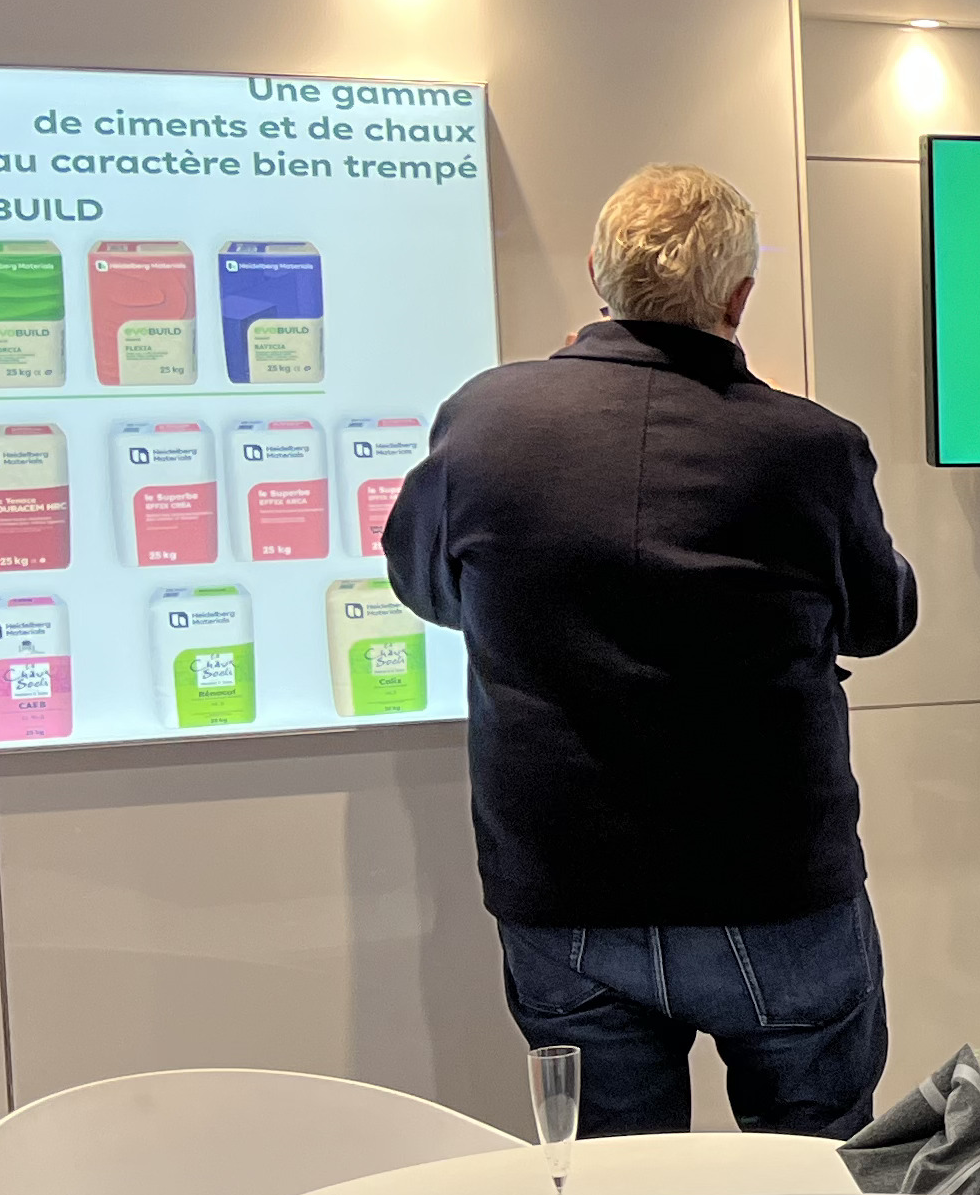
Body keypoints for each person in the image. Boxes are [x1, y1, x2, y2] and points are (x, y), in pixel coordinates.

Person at [391, 165, 918, 1144]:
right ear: (740, 297)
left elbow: (426, 590)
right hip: (774, 888)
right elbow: (878, 620)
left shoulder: (487, 421)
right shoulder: (809, 446)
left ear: (598, 272)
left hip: (563, 890)